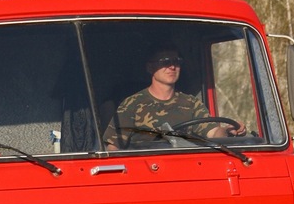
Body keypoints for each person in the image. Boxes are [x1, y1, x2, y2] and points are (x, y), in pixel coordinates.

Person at [102, 47, 246, 150]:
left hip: (186, 167)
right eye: (165, 61)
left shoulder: (191, 103)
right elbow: (114, 147)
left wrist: (227, 131)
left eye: (177, 61)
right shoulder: (132, 104)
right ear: (150, 68)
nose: (172, 66)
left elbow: (213, 133)